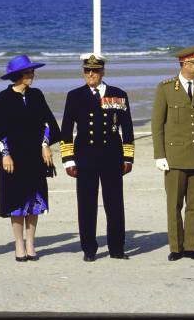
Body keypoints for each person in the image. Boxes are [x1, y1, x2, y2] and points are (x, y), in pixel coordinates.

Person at [0, 55, 60, 262]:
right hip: (12, 160)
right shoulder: (2, 99)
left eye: (32, 71)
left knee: (34, 202)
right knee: (16, 203)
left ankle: (31, 243)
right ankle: (18, 244)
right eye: (27, 72)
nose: (31, 75)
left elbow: (48, 123)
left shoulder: (37, 95)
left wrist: (45, 146)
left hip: (35, 158)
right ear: (17, 75)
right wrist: (5, 155)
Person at [60, 54, 134, 262]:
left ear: (102, 72)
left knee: (114, 204)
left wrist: (128, 158)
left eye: (95, 70)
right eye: (86, 71)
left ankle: (117, 248)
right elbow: (66, 130)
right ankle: (89, 249)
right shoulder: (74, 96)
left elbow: (127, 128)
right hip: (85, 157)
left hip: (112, 157)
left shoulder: (118, 95)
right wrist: (69, 160)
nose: (90, 74)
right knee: (86, 204)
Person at [151, 45, 194, 261]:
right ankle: (176, 248)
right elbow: (157, 124)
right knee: (174, 205)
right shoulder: (166, 88)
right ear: (184, 64)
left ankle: (191, 247)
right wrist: (159, 154)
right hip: (175, 157)